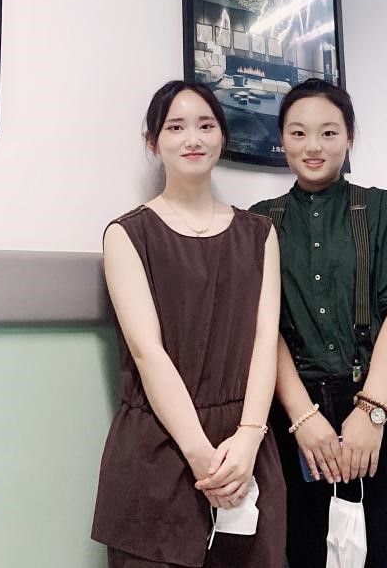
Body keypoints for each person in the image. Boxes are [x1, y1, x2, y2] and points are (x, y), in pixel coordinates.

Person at [92, 80, 287, 567]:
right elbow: (147, 352)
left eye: (205, 125)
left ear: (222, 136)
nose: (193, 139)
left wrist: (249, 436)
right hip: (160, 445)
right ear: (153, 142)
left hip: (246, 446)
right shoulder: (127, 234)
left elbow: (265, 340)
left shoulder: (259, 233)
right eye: (175, 127)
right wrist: (201, 455)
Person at [251, 79, 387, 568]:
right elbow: (263, 329)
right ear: (281, 140)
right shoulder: (259, 223)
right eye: (298, 133)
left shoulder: (383, 209)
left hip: (382, 403)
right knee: (306, 552)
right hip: (297, 411)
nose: (314, 146)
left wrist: (372, 412)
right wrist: (303, 419)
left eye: (328, 132)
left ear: (349, 137)